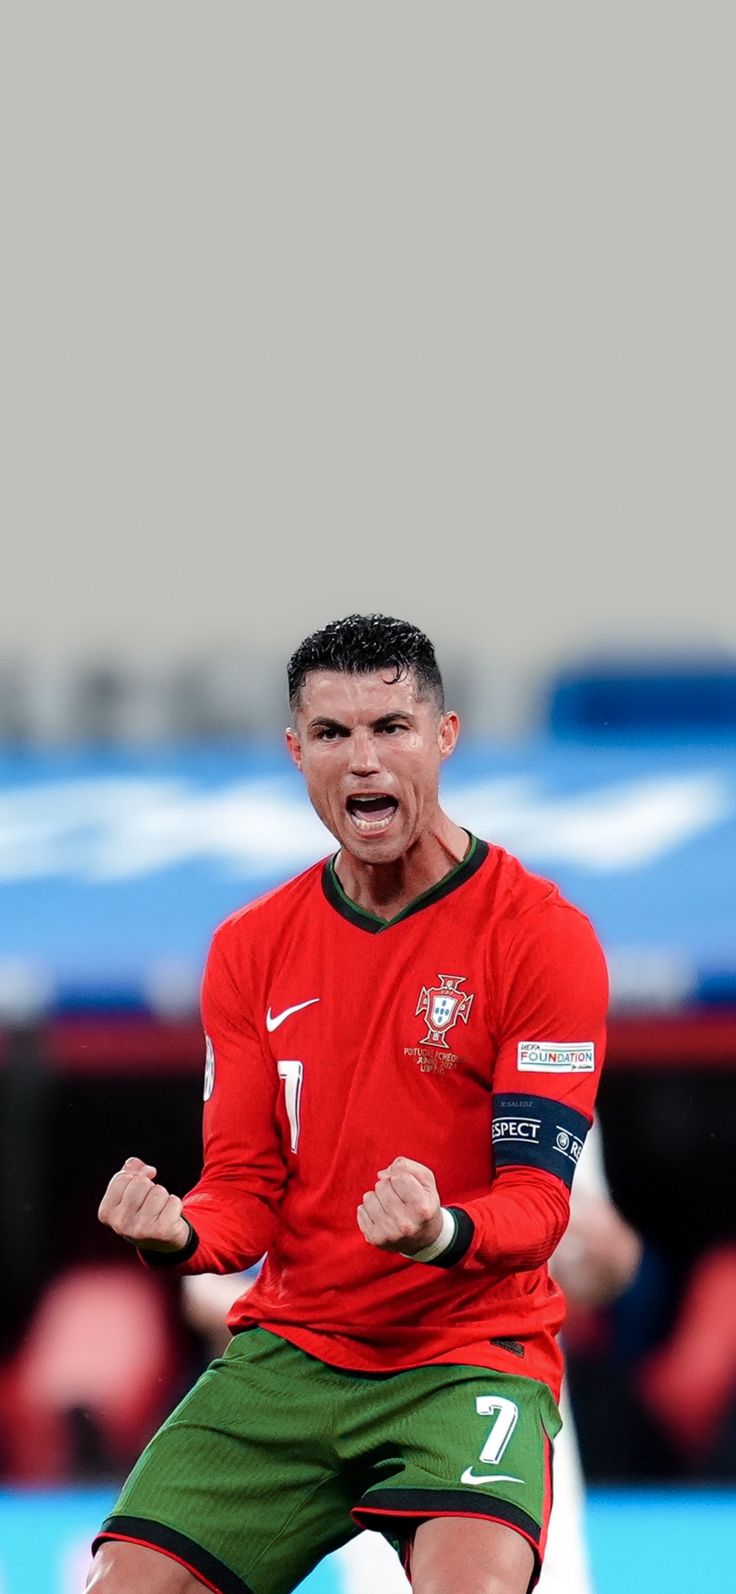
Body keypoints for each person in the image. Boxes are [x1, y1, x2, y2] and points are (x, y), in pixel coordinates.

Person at [88, 613, 609, 1594]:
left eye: (391, 726)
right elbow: (241, 1195)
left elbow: (538, 1207)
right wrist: (175, 1233)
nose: (363, 759)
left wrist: (439, 1230)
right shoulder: (250, 945)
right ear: (295, 752)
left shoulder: (539, 938)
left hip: (465, 1354)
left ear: (444, 736)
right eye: (332, 733)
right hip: (291, 1353)